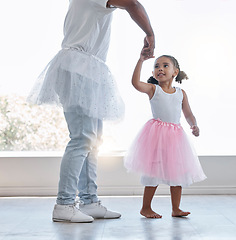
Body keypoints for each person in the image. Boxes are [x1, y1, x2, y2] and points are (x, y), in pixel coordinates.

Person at [27, 0, 155, 223]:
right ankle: (64, 204)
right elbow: (133, 4)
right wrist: (150, 34)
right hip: (78, 67)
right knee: (82, 139)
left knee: (93, 141)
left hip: (87, 67)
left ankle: (89, 201)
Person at [124, 49, 207, 219]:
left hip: (176, 137)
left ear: (175, 72)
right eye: (156, 66)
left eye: (165, 65)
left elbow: (188, 114)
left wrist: (194, 125)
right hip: (156, 136)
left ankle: (176, 208)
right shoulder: (153, 89)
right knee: (152, 171)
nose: (159, 68)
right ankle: (145, 207)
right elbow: (135, 83)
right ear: (153, 73)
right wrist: (141, 61)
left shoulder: (180, 93)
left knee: (177, 172)